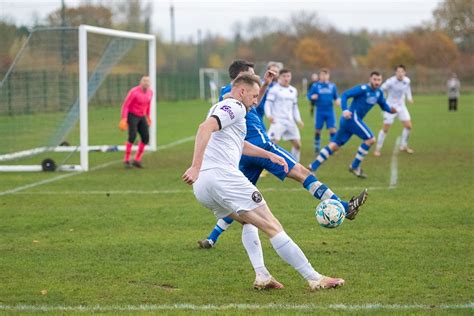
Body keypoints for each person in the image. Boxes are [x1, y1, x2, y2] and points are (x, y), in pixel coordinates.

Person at [183, 74, 345, 291]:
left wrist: (269, 156)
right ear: (242, 91)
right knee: (272, 225)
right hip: (222, 177)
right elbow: (204, 128)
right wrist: (194, 165)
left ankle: (262, 276)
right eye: (254, 95)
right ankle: (314, 278)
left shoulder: (223, 108)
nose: (256, 101)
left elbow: (237, 144)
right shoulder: (236, 106)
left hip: (203, 188)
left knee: (249, 222)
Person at [198, 63, 367, 249]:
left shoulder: (243, 98)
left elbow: (252, 104)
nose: (256, 78)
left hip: (244, 152)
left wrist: (265, 85)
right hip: (260, 145)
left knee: (239, 201)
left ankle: (212, 238)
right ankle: (344, 206)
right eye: (251, 75)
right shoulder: (229, 94)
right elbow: (230, 100)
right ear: (241, 79)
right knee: (303, 173)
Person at [308, 71, 397, 178]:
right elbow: (345, 95)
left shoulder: (379, 93)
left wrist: (391, 110)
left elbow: (383, 105)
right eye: (375, 79)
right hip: (351, 118)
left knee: (334, 145)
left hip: (350, 121)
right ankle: (355, 166)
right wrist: (345, 110)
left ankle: (311, 167)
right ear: (370, 79)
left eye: (379, 80)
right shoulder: (362, 89)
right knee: (370, 139)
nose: (377, 82)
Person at [374, 65, 414, 156]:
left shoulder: (407, 81)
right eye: (398, 71)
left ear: (405, 72)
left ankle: (403, 146)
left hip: (402, 106)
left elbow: (408, 89)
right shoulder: (390, 82)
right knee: (385, 129)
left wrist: (409, 97)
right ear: (395, 73)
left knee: (408, 126)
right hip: (390, 107)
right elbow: (381, 89)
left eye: (402, 71)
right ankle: (378, 149)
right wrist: (382, 100)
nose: (400, 73)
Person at [265, 69, 304, 162]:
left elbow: (295, 107)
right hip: (278, 121)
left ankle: (295, 164)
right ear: (279, 77)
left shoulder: (293, 90)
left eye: (288, 76)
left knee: (298, 145)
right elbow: (268, 104)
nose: (286, 78)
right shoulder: (274, 89)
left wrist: (298, 120)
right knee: (270, 145)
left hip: (290, 122)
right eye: (284, 76)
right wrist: (269, 115)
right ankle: (264, 166)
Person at [118, 76, 153, 168]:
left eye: (148, 81)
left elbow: (148, 105)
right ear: (140, 82)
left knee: (146, 138)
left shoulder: (150, 92)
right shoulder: (134, 92)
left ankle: (137, 159)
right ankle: (126, 160)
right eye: (144, 81)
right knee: (132, 136)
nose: (146, 83)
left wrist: (148, 116)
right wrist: (124, 118)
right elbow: (126, 105)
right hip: (132, 115)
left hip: (141, 116)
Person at [307, 68, 340, 154]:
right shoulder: (315, 86)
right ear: (319, 76)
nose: (324, 77)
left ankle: (331, 147)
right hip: (319, 111)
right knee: (318, 130)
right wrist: (312, 97)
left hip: (330, 111)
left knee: (333, 130)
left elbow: (336, 97)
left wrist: (337, 101)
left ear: (328, 76)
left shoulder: (332, 86)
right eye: (322, 75)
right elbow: (309, 95)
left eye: (326, 75)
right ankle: (317, 147)